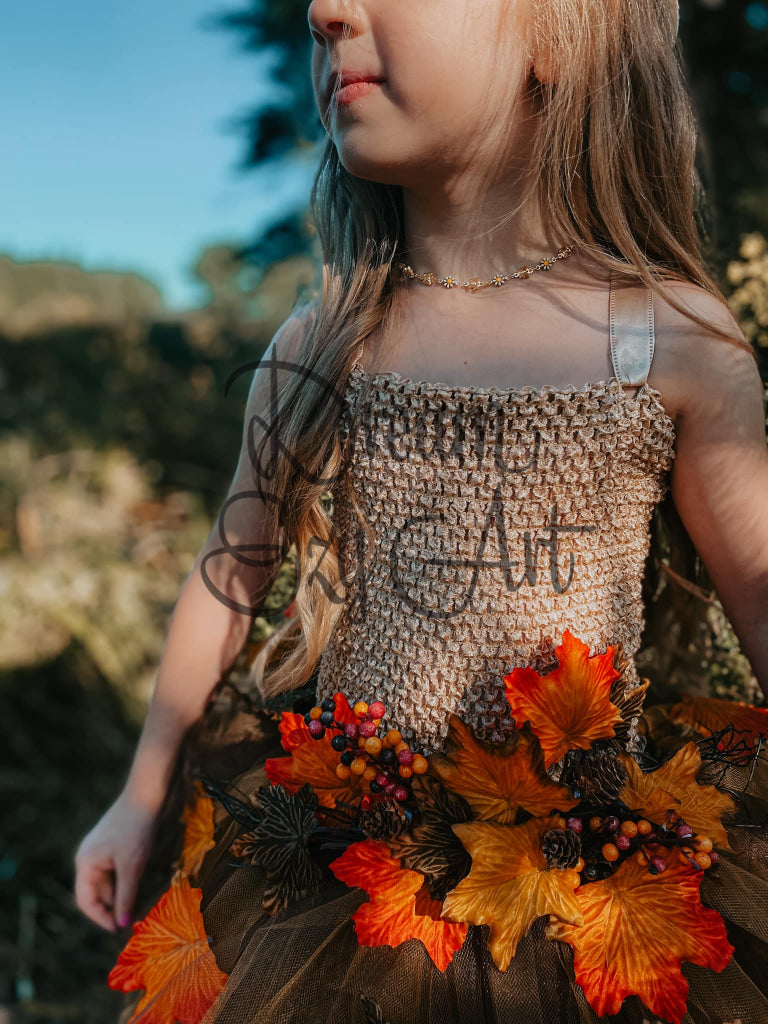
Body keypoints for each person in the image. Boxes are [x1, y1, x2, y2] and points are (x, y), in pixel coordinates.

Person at [74, 0, 768, 1021]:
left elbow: (758, 589)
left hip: (589, 866)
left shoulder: (662, 334)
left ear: (557, 35)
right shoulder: (327, 343)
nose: (324, 11)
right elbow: (231, 574)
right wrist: (140, 796)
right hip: (359, 867)